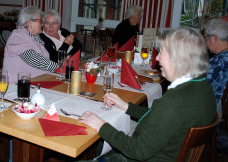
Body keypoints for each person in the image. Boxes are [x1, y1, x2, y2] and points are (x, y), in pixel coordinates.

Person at [78, 28, 216, 161]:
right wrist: (127, 107)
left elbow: (138, 150)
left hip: (146, 157)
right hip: (169, 152)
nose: (158, 58)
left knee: (94, 145)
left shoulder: (174, 101)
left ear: (178, 59)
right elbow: (160, 117)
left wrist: (101, 125)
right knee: (101, 146)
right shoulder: (203, 86)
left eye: (161, 53)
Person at [3, 6, 58, 83]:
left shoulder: (35, 37)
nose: (42, 24)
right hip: (17, 86)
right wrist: (57, 67)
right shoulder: (17, 36)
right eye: (40, 21)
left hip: (37, 82)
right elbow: (33, 58)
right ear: (29, 22)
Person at [203, 18, 228, 116]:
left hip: (210, 111)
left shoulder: (218, 63)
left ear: (214, 38)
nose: (205, 42)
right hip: (221, 106)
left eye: (206, 37)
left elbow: (201, 90)